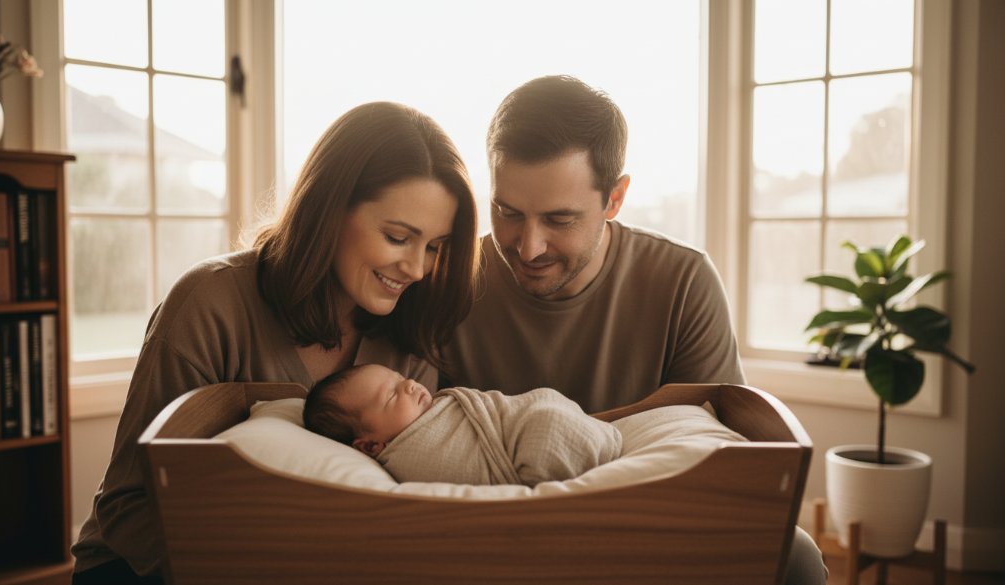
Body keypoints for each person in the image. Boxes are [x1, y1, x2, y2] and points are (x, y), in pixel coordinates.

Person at [439, 75, 828, 585]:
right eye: (507, 212)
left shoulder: (683, 280)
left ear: (615, 198)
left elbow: (718, 461)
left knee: (796, 555)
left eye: (559, 219)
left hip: (647, 524)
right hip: (486, 526)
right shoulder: (448, 279)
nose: (528, 247)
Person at [71, 102, 478, 585]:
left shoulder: (411, 333)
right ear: (329, 210)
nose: (416, 268)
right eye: (396, 237)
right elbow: (127, 505)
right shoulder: (210, 304)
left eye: (434, 247)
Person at [303, 363, 622, 486]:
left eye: (400, 378)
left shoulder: (435, 409)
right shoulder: (412, 457)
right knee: (548, 423)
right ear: (371, 445)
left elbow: (500, 412)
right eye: (391, 395)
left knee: (544, 408)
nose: (409, 385)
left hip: (524, 417)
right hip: (534, 434)